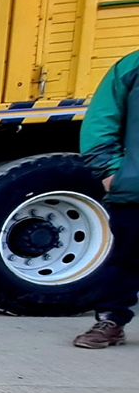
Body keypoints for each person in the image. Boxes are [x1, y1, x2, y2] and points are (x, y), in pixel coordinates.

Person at [76, 49, 139, 349]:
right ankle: (111, 320)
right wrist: (112, 173)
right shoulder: (132, 65)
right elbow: (101, 121)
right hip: (136, 188)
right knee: (125, 259)